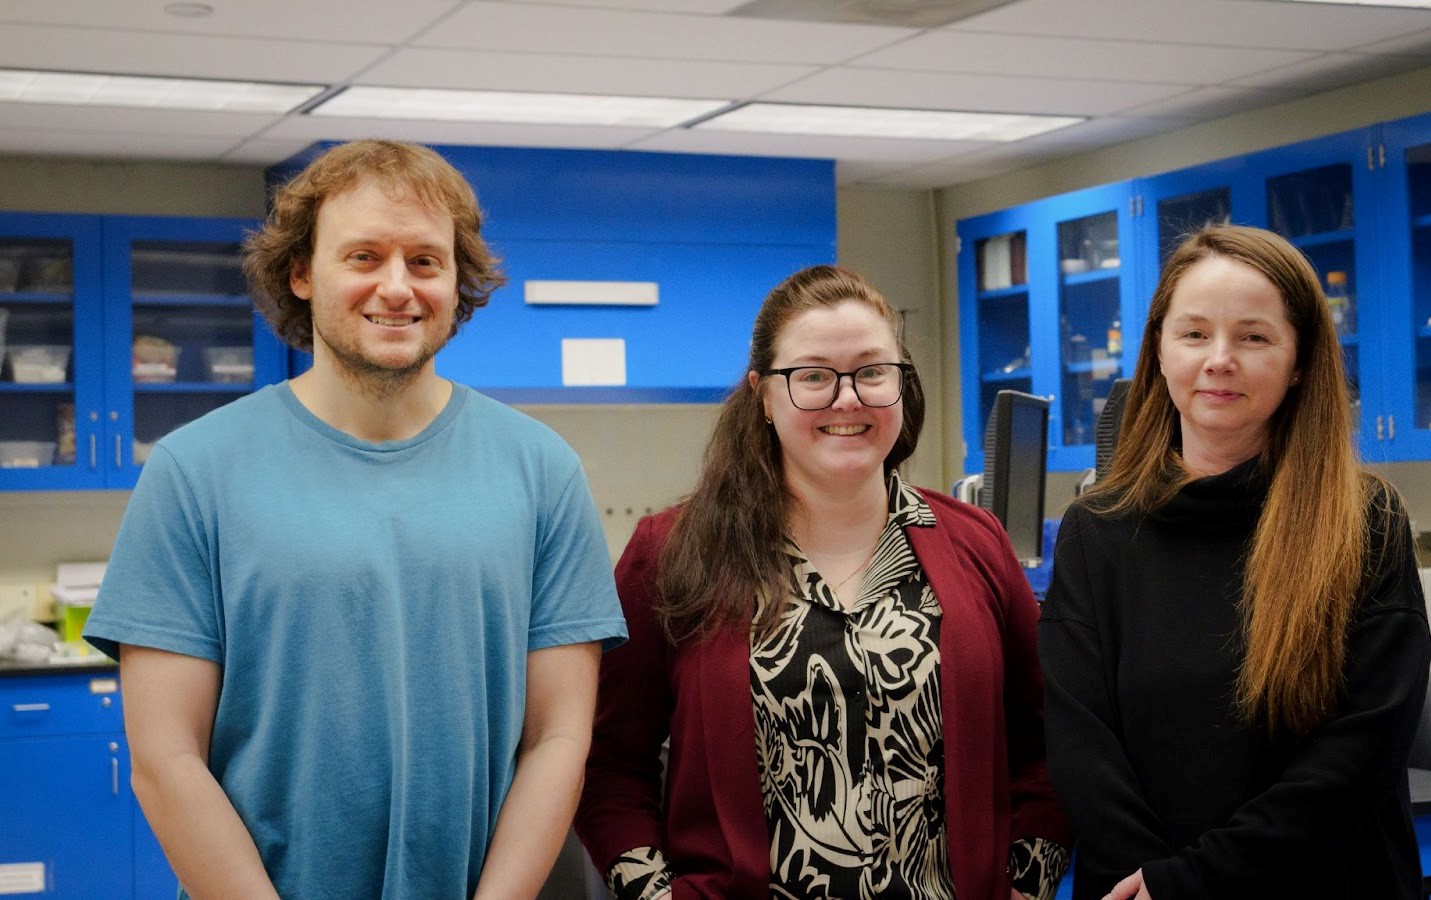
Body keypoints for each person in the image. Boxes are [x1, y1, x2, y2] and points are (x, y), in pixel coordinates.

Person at [82, 139, 627, 899]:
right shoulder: (194, 470)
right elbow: (166, 759)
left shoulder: (542, 471)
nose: (396, 287)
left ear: (456, 279)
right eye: (364, 256)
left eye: (426, 261)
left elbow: (559, 738)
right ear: (302, 273)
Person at [574, 264, 1072, 900]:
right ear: (762, 394)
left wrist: (1025, 884)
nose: (848, 398)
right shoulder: (670, 552)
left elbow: (1048, 742)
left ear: (900, 385)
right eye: (812, 376)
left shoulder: (975, 543)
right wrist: (655, 892)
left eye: (872, 372)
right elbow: (607, 762)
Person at [1040, 224, 1430, 900]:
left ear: (1301, 360)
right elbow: (1079, 738)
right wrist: (1153, 882)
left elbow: (1359, 754)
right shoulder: (1095, 530)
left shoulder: (1365, 523)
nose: (1219, 359)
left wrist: (1193, 882)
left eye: (1253, 337)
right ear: (1158, 351)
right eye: (1194, 334)